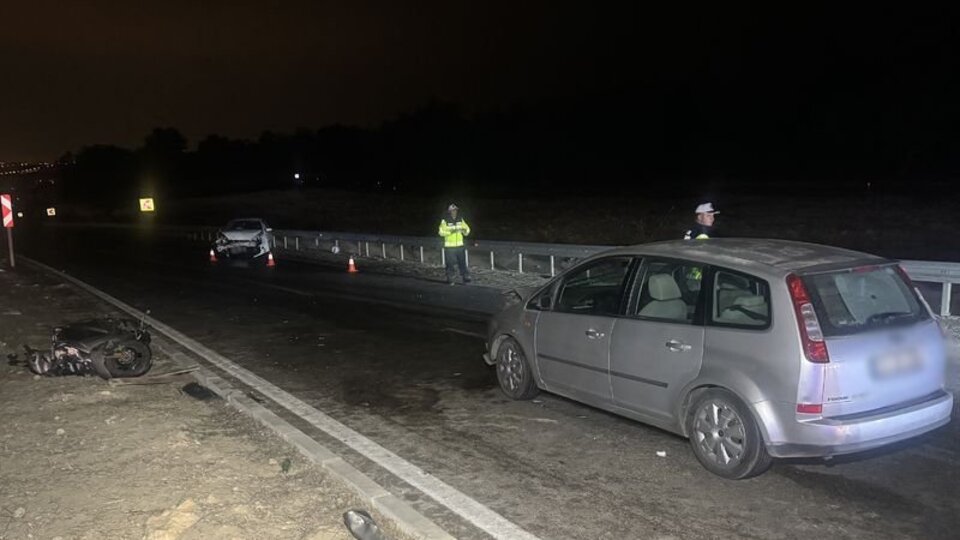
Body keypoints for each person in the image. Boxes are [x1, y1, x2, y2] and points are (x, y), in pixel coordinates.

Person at [438, 203, 472, 284]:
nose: (454, 212)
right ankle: (450, 278)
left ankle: (465, 277)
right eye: (452, 210)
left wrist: (465, 231)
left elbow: (467, 229)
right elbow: (441, 232)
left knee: (462, 262)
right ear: (449, 211)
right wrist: (451, 232)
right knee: (450, 264)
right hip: (450, 247)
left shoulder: (460, 219)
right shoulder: (445, 220)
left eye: (455, 210)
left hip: (460, 246)